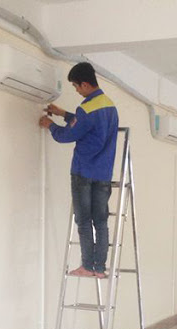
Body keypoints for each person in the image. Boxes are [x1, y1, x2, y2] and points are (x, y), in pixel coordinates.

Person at [39, 62, 119, 278]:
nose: (76, 90)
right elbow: (85, 125)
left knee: (83, 220)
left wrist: (50, 125)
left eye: (75, 86)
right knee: (101, 222)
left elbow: (67, 135)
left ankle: (87, 266)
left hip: (83, 172)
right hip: (104, 173)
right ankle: (99, 268)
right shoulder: (109, 106)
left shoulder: (86, 109)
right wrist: (63, 114)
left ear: (84, 84)